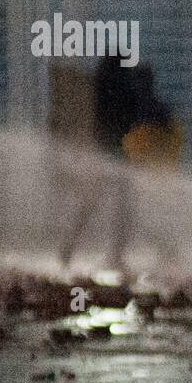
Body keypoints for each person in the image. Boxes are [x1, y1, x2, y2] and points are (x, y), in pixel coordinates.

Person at [59, 51, 139, 270]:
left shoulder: (99, 90)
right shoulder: (122, 91)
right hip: (115, 156)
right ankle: (115, 255)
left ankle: (69, 249)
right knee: (121, 209)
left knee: (91, 206)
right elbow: (130, 122)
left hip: (99, 155)